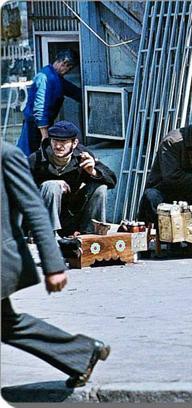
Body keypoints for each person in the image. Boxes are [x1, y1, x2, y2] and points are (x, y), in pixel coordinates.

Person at [2, 143, 110, 388]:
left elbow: (35, 210)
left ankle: (81, 354)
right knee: (8, 324)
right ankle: (82, 354)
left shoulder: (6, 156)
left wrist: (53, 264)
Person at [28, 121, 117, 237]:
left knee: (100, 188)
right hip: (43, 219)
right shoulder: (36, 159)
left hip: (72, 217)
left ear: (74, 143)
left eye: (63, 142)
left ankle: (91, 236)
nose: (58, 146)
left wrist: (93, 171)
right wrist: (51, 186)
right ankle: (48, 237)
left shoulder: (83, 155)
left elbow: (112, 180)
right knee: (52, 186)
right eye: (55, 141)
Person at [17, 49, 81, 156]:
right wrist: (45, 135)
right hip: (35, 126)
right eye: (69, 68)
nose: (68, 71)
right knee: (32, 156)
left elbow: (74, 91)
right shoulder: (44, 77)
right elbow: (40, 108)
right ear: (64, 63)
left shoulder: (57, 78)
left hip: (42, 124)